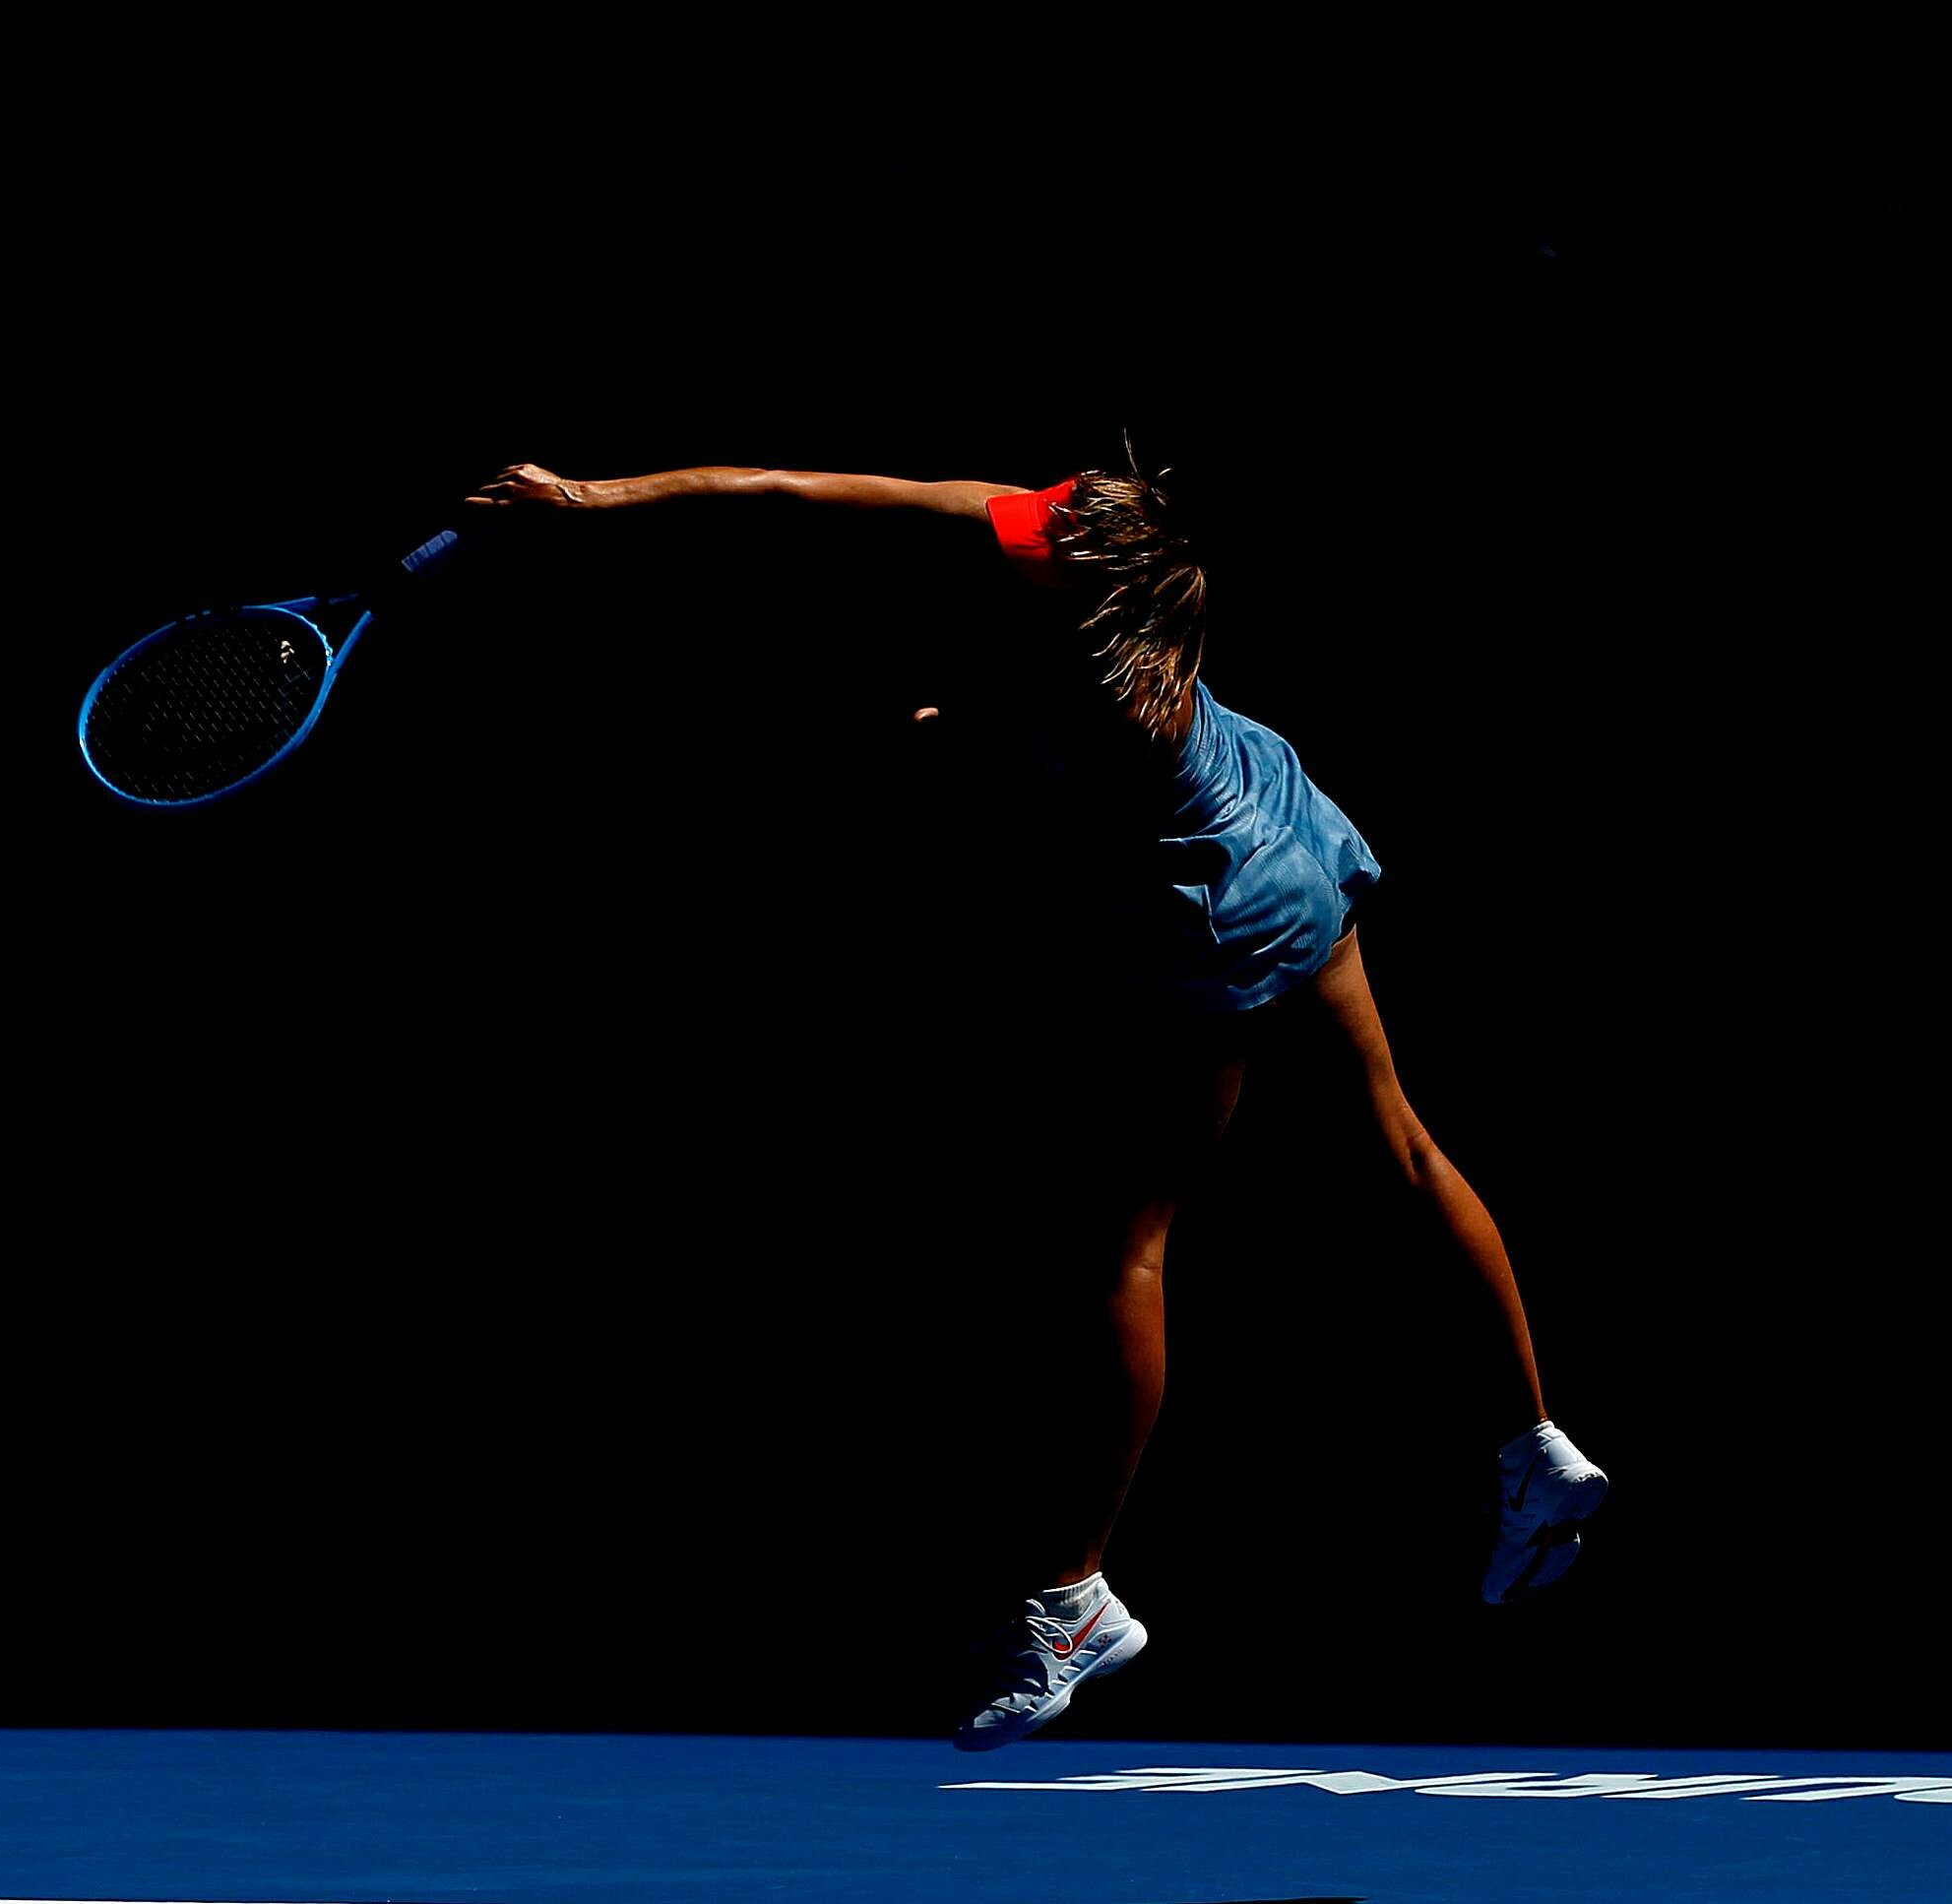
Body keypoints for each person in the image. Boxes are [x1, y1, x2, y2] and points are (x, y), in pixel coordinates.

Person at [462, 448, 1609, 1751]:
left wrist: (932, 737)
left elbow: (1001, 792)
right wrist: (588, 501)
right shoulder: (1088, 567)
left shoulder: (1098, 711)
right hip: (1279, 811)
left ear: (1091, 595)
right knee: (1398, 1148)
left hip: (1212, 901)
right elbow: (799, 493)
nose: (1010, 543)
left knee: (1126, 1240)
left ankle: (1073, 1597)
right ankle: (1533, 1450)